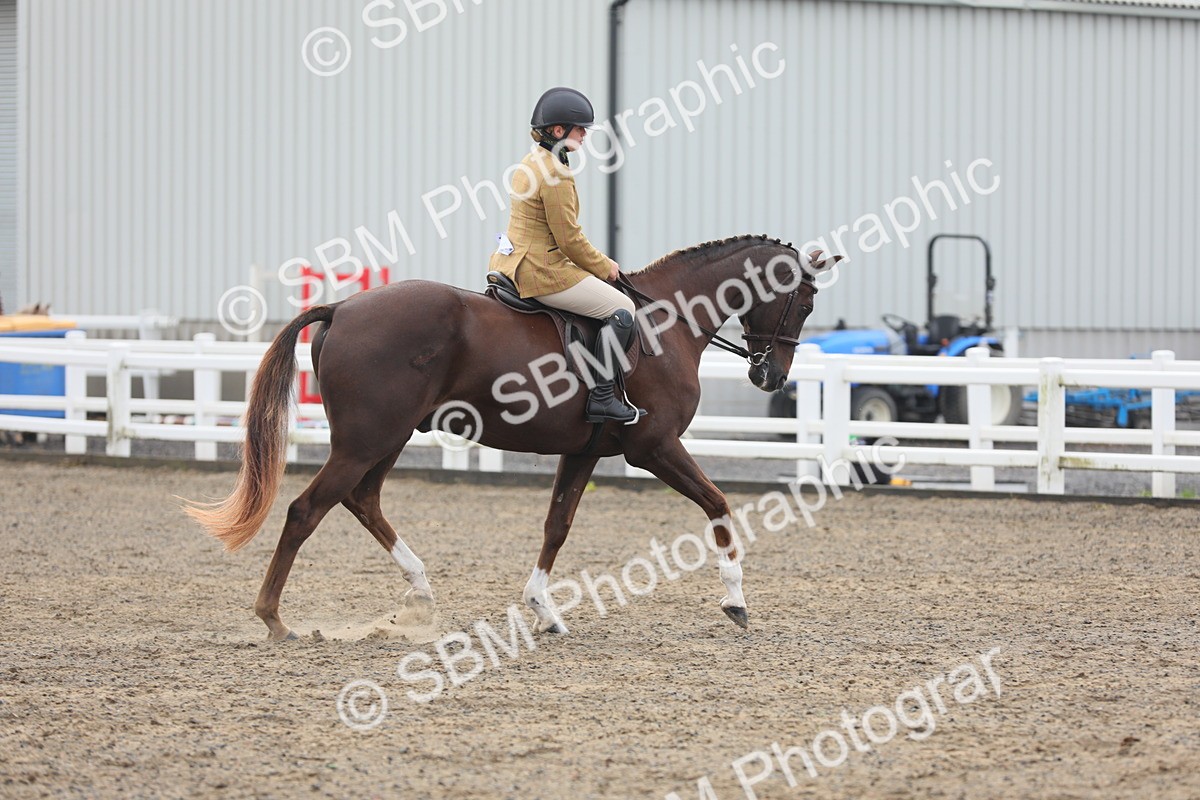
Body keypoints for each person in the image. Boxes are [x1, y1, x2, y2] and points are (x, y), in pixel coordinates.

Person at [489, 87, 643, 424]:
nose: (585, 135)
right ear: (557, 131)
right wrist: (606, 267)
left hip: (511, 261)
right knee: (623, 308)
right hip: (541, 270)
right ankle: (602, 398)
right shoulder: (555, 174)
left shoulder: (534, 161)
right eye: (580, 129)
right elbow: (569, 240)